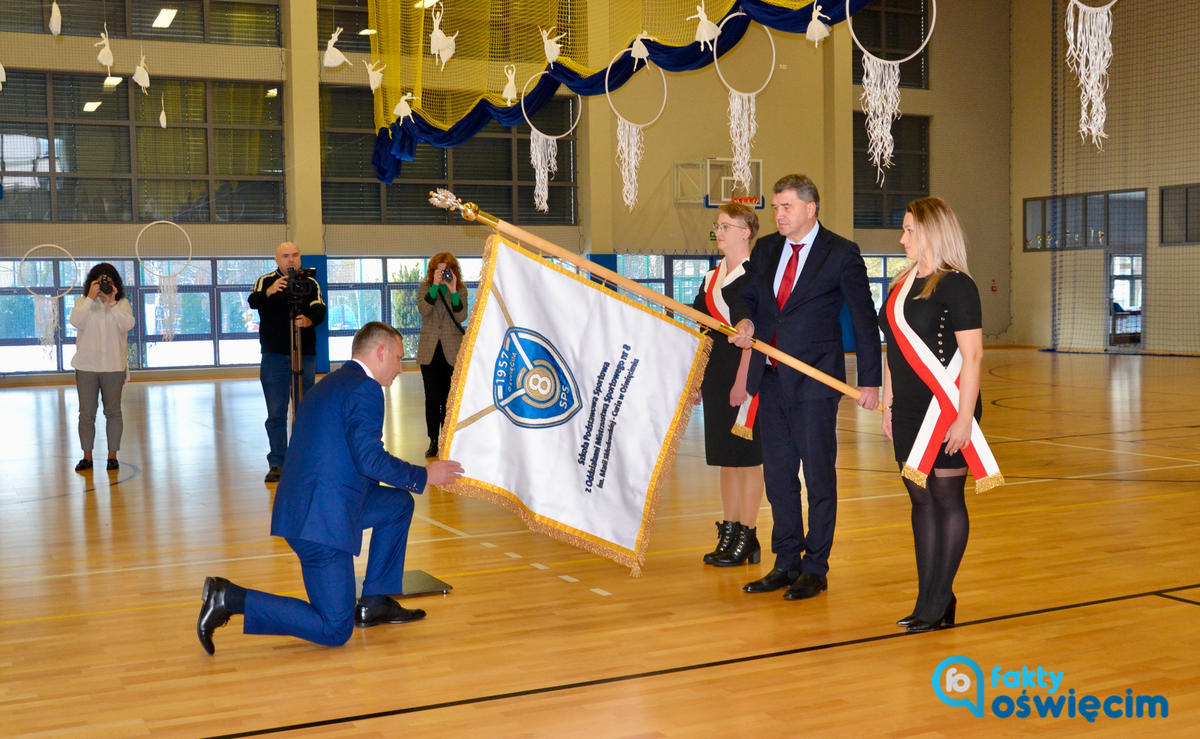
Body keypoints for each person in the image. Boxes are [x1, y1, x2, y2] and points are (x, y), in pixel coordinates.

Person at [196, 322, 465, 654]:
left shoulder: (334, 382)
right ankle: (229, 598)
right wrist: (424, 476)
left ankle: (375, 601)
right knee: (335, 628)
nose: (400, 367)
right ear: (380, 352)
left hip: (313, 504)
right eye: (397, 357)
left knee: (397, 506)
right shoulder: (365, 389)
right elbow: (369, 460)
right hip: (319, 522)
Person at [727, 174, 881, 600]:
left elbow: (865, 320)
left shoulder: (841, 253)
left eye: (786, 207)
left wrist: (870, 381)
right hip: (770, 380)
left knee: (817, 478)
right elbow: (746, 297)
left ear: (810, 209)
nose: (777, 215)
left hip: (815, 382)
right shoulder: (768, 249)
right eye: (775, 208)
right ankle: (786, 561)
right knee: (778, 479)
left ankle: (815, 567)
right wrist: (744, 320)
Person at [879, 197, 995, 633]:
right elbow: (893, 347)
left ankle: (938, 598)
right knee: (919, 500)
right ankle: (929, 597)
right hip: (908, 409)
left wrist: (965, 418)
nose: (902, 237)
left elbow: (973, 354)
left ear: (932, 232)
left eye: (909, 230)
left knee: (946, 500)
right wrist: (889, 403)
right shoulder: (901, 284)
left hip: (948, 407)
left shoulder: (956, 284)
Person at [692, 203, 765, 567]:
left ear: (746, 231)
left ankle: (749, 536)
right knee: (726, 459)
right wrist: (696, 378)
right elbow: (703, 334)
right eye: (717, 225)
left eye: (726, 226)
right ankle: (730, 530)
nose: (718, 232)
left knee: (748, 460)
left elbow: (758, 334)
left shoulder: (757, 276)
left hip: (746, 379)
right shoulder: (709, 280)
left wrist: (743, 382)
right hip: (716, 376)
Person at [248, 242, 326, 483]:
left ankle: (304, 460)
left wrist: (309, 320)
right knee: (276, 411)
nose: (291, 260)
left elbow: (319, 308)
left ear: (300, 258)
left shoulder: (310, 282)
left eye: (295, 255)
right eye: (285, 256)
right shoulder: (265, 280)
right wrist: (271, 291)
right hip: (274, 355)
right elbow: (253, 301)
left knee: (304, 409)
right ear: (276, 259)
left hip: (305, 353)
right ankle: (277, 463)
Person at [70, 263, 135, 472]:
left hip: (113, 367)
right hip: (86, 367)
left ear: (115, 283)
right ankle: (87, 457)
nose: (103, 284)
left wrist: (112, 302)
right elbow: (76, 321)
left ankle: (112, 456)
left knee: (113, 412)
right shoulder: (82, 302)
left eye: (108, 280)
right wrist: (90, 297)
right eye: (99, 280)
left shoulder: (122, 304)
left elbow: (127, 325)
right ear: (91, 282)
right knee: (86, 414)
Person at [416, 252, 468, 458]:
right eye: (439, 270)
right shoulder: (426, 288)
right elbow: (424, 309)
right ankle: (433, 440)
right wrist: (436, 286)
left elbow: (461, 315)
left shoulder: (460, 290)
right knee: (431, 398)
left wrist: (453, 290)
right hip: (430, 352)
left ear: (454, 271)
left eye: (447, 270)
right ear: (432, 271)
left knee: (450, 398)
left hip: (452, 351)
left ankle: (448, 439)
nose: (443, 273)